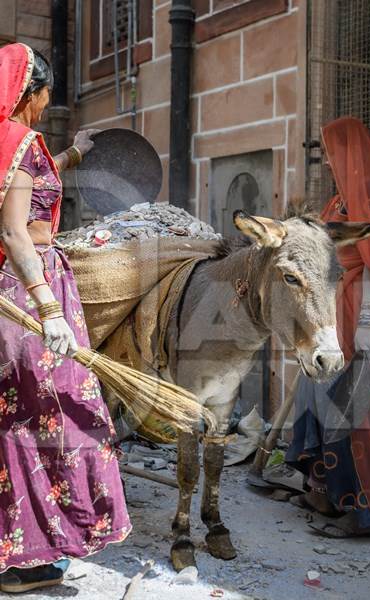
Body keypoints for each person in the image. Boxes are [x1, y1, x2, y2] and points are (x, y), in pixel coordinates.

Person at [0, 43, 131, 592]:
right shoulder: (22, 142)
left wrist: (72, 154)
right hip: (29, 293)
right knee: (58, 411)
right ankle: (23, 558)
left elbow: (22, 188)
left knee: (14, 415)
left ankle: (16, 549)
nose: (47, 103)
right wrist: (50, 310)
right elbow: (13, 231)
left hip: (10, 289)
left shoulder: (11, 144)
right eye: (47, 94)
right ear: (34, 91)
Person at [285, 116, 370, 536]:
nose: (330, 160)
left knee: (353, 415)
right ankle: (328, 493)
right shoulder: (338, 201)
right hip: (330, 318)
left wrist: (368, 323)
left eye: (335, 152)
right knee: (315, 401)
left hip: (358, 322)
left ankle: (362, 513)